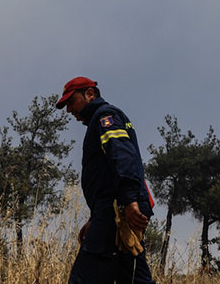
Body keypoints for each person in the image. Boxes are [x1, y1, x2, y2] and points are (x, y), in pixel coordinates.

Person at [55, 76, 156, 284]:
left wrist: (129, 202)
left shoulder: (105, 117)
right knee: (135, 277)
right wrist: (94, 218)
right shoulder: (102, 119)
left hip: (116, 212)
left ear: (90, 94)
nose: (69, 110)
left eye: (71, 101)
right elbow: (109, 173)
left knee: (83, 279)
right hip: (115, 210)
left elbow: (121, 156)